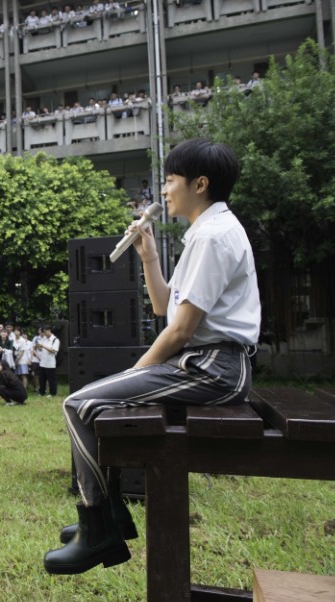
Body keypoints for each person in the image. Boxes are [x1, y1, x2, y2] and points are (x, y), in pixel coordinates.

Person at [44, 138, 260, 575]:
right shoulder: (204, 232)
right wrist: (149, 258)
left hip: (214, 367)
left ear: (200, 184)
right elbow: (165, 308)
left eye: (169, 180)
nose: (162, 190)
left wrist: (136, 371)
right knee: (92, 400)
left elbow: (180, 331)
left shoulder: (213, 237)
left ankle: (98, 526)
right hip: (206, 362)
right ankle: (112, 516)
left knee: (78, 403)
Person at [35, 325, 60, 397]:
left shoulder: (55, 340)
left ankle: (53, 393)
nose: (44, 334)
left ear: (49, 330)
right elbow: (41, 349)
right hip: (43, 362)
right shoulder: (44, 339)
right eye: (43, 332)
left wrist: (43, 346)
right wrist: (39, 346)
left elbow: (53, 350)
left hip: (50, 363)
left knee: (51, 379)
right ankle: (42, 392)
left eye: (45, 332)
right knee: (42, 379)